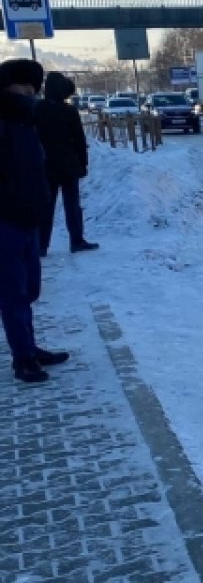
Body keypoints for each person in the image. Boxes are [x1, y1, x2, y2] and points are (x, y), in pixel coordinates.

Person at [0, 59, 70, 383]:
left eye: (33, 88)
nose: (30, 93)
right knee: (12, 291)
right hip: (5, 220)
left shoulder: (27, 122)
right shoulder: (4, 122)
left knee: (29, 289)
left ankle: (29, 346)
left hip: (28, 219)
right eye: (23, 88)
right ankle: (23, 359)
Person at [34, 72, 98, 255]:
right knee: (72, 205)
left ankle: (41, 245)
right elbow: (79, 139)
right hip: (68, 164)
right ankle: (76, 241)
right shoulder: (69, 111)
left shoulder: (38, 109)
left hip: (45, 164)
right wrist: (83, 164)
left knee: (46, 206)